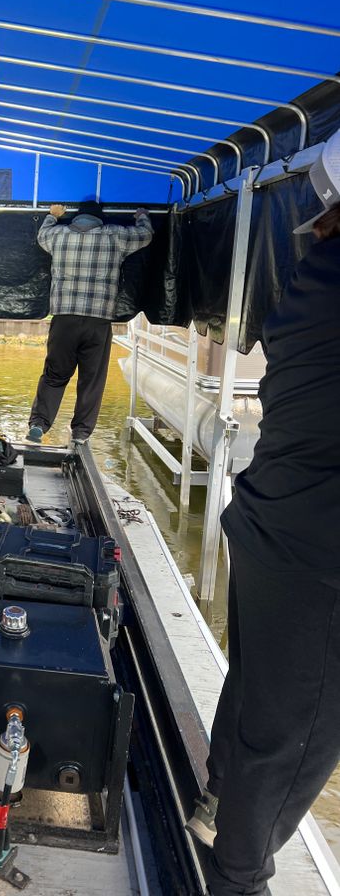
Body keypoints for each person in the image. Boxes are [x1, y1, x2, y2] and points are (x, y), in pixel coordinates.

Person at [186, 202, 340, 895]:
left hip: (272, 518)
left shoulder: (319, 273)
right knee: (295, 735)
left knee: (257, 693)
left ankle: (219, 804)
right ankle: (238, 877)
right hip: (317, 549)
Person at [26, 199, 153, 444]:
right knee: (91, 380)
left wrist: (53, 215)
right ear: (100, 219)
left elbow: (42, 235)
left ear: (76, 218)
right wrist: (142, 216)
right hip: (98, 322)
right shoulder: (115, 236)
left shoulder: (58, 236)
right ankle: (81, 434)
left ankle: (39, 426)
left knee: (54, 375)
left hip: (64, 319)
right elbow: (146, 235)